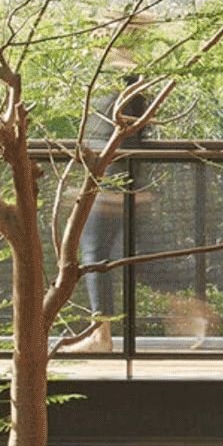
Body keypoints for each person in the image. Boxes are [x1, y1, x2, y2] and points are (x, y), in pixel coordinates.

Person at [78, 44, 152, 321]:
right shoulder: (132, 81)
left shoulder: (125, 82)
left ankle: (101, 331)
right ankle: (191, 309)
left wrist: (113, 189)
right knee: (133, 257)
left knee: (94, 253)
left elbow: (125, 138)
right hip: (116, 184)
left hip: (112, 186)